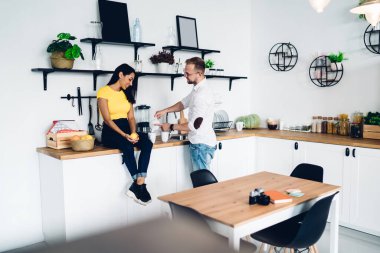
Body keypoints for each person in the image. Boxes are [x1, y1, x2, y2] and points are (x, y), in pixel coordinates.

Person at [97, 63, 153, 205]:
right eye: (130, 79)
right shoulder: (103, 92)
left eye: (132, 80)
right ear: (120, 74)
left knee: (147, 142)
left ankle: (139, 182)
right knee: (126, 144)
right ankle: (138, 184)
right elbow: (107, 120)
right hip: (111, 131)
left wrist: (133, 132)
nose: (131, 83)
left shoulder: (126, 94)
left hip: (127, 129)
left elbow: (132, 118)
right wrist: (124, 135)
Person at [155, 57, 216, 171]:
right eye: (184, 72)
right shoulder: (197, 90)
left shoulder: (201, 95)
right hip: (201, 143)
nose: (185, 76)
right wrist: (165, 111)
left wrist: (171, 126)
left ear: (199, 73)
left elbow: (193, 126)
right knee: (203, 182)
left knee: (203, 185)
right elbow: (183, 103)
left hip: (200, 145)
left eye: (187, 73)